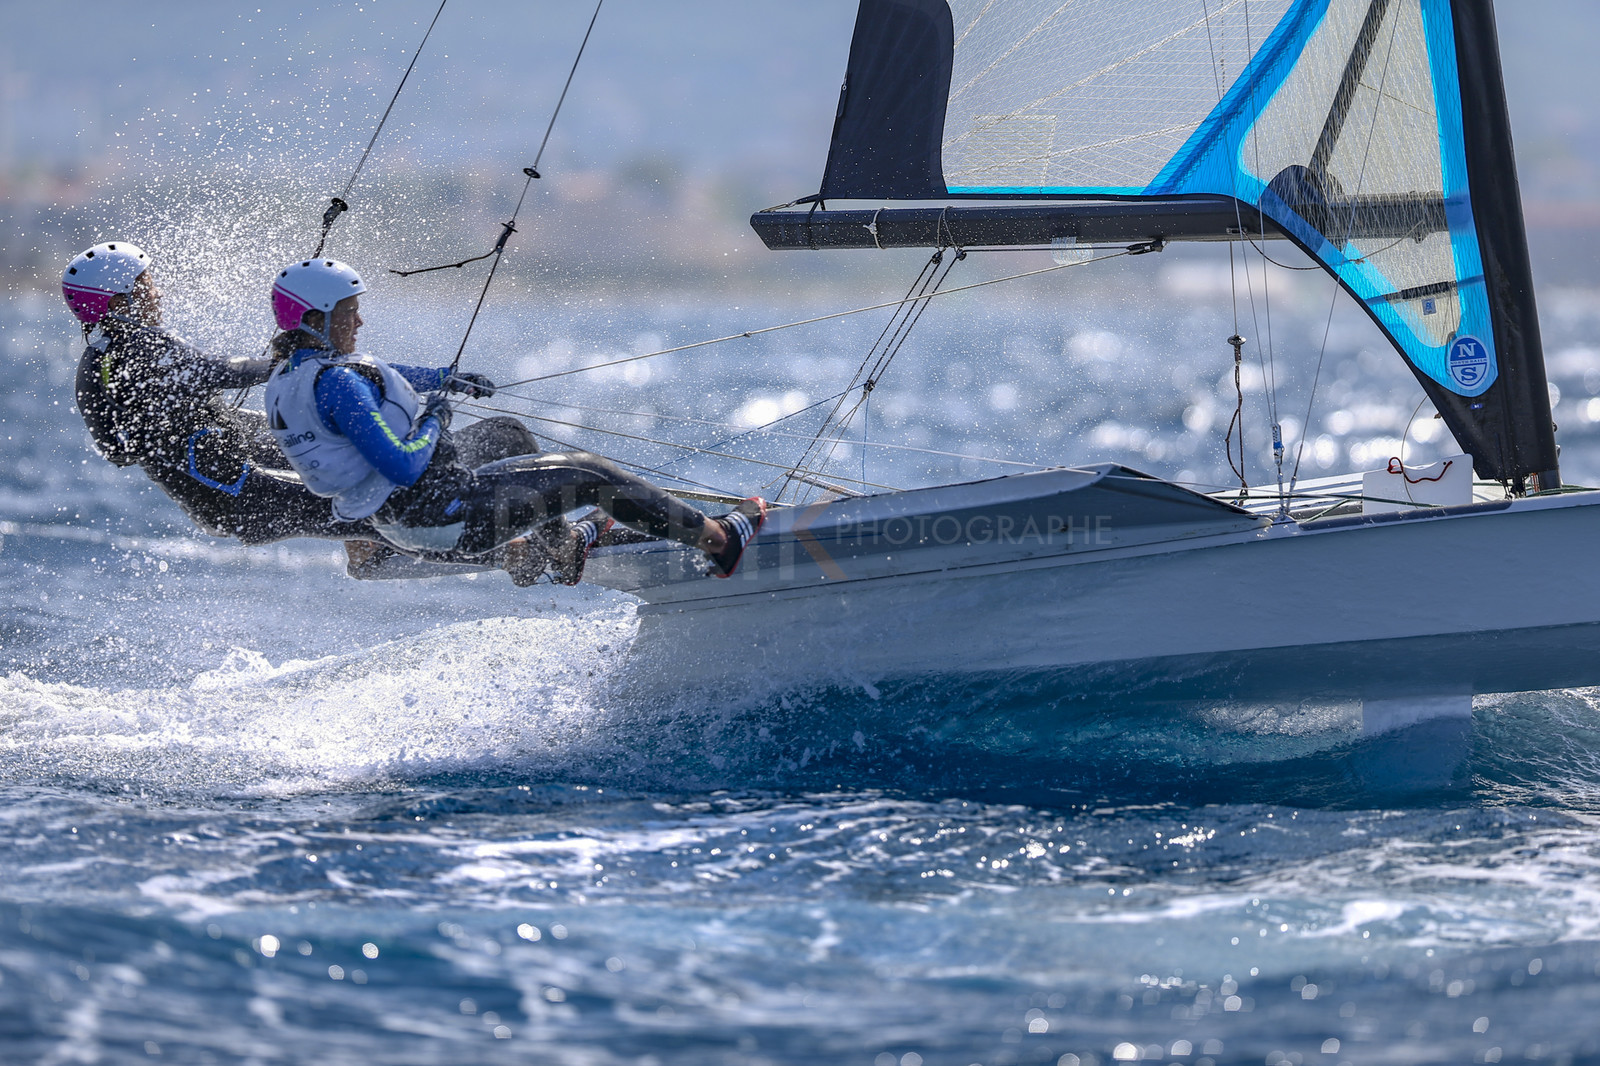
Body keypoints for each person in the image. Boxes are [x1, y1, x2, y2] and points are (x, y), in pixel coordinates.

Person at [262, 257, 767, 585]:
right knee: (589, 475)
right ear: (315, 321)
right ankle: (720, 541)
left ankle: (563, 547)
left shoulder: (291, 377)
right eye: (349, 313)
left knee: (507, 435)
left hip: (406, 512)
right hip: (444, 518)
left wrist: (444, 377)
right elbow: (400, 464)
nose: (360, 322)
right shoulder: (339, 386)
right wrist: (434, 420)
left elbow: (376, 375)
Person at [62, 241, 544, 581]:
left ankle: (366, 545)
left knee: (342, 468)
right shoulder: (134, 349)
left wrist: (184, 434)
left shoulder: (99, 359)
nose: (158, 293)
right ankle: (514, 552)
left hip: (222, 483)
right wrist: (283, 363)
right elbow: (217, 372)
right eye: (147, 285)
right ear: (121, 298)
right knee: (388, 504)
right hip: (241, 492)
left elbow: (119, 448)